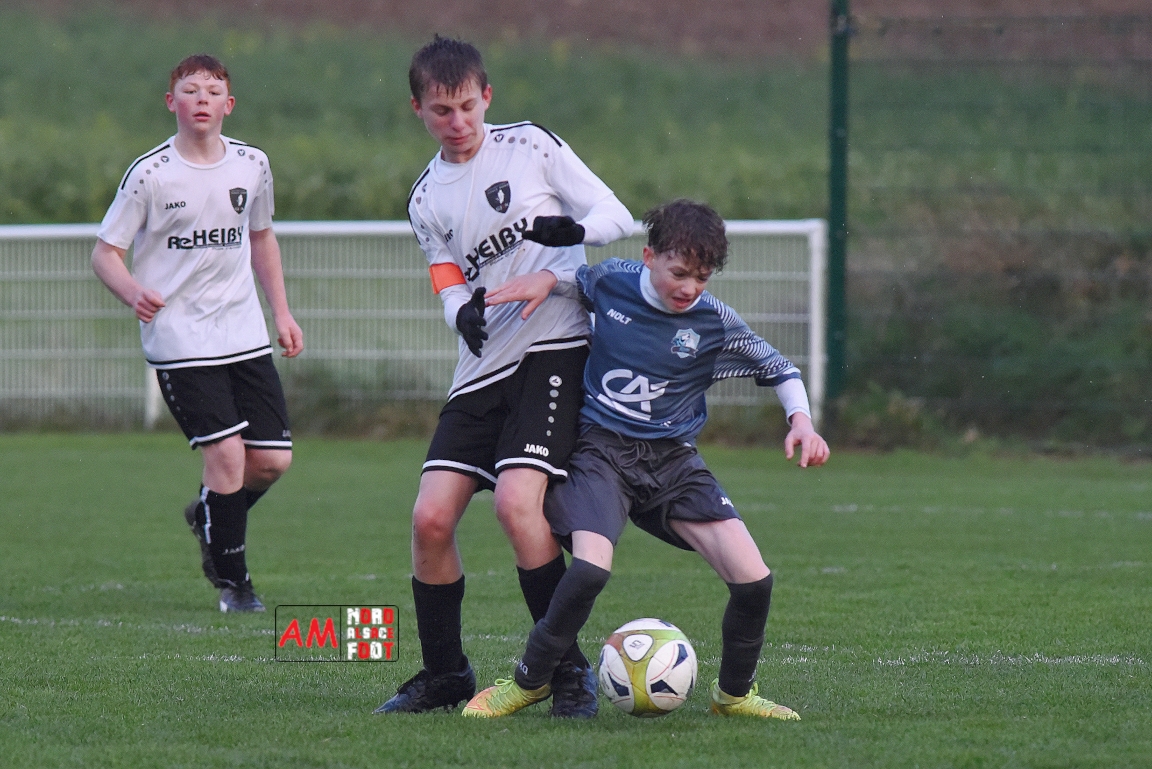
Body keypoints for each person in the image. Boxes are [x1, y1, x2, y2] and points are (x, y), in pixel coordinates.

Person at [462, 199, 830, 719]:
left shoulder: (713, 320)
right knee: (590, 569)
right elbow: (575, 281)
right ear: (649, 256)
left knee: (754, 580)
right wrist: (545, 280)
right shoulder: (613, 280)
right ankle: (529, 682)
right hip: (602, 453)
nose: (690, 288)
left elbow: (779, 367)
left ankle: (734, 695)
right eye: (679, 273)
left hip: (673, 462)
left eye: (702, 277)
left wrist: (802, 422)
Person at [374, 35, 633, 717]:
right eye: (441, 111)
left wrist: (568, 235)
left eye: (467, 106)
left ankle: (566, 672)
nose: (457, 121)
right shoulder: (425, 197)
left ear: (486, 96)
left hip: (554, 346)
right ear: (417, 109)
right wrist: (458, 311)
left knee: (518, 505)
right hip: (482, 365)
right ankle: (446, 674)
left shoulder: (530, 146)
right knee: (430, 518)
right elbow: (446, 275)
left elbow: (615, 215)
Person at [92, 54, 303, 614]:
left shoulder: (252, 164)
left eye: (212, 91)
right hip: (179, 337)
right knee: (228, 457)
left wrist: (282, 313)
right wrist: (133, 292)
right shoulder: (150, 174)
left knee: (272, 461)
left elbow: (261, 237)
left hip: (242, 330)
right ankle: (236, 585)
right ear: (172, 103)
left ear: (228, 105)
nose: (201, 99)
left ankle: (208, 514)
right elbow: (105, 253)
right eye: (190, 90)